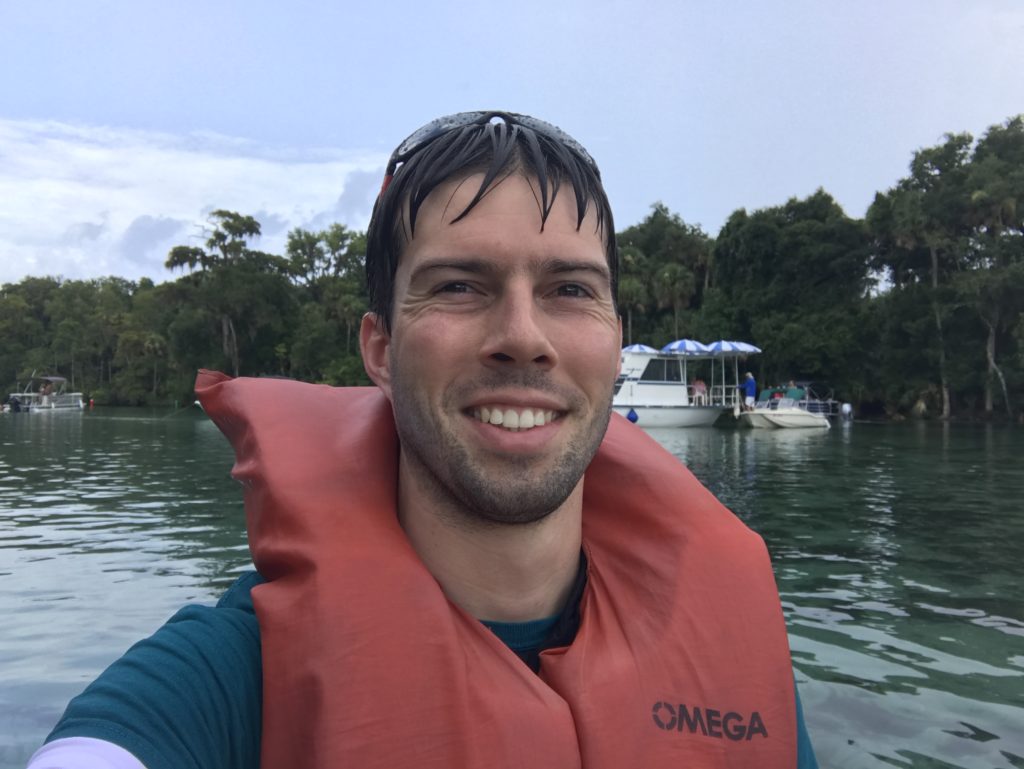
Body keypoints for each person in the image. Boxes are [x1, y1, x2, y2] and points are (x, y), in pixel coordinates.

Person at [29, 111, 817, 768]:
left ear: (615, 342)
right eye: (460, 286)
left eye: (569, 289)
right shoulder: (229, 682)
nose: (522, 335)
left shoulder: (740, 671)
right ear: (378, 347)